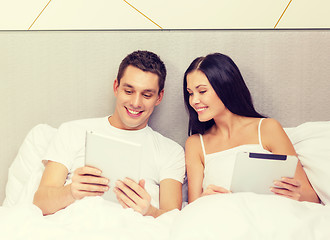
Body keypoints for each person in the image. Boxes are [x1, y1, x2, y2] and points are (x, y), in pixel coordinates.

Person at [33, 50, 185, 217]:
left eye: (146, 95)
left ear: (159, 97)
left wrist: (148, 211)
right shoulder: (72, 131)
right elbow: (40, 203)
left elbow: (172, 220)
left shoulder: (170, 152)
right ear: (116, 87)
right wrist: (71, 192)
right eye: (128, 91)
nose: (135, 103)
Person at [183, 53, 320, 204]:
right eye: (190, 93)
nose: (194, 101)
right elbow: (192, 207)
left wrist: (296, 194)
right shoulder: (195, 144)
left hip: (271, 215)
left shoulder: (268, 128)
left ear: (225, 87)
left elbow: (311, 197)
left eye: (202, 91)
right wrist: (204, 200)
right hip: (223, 217)